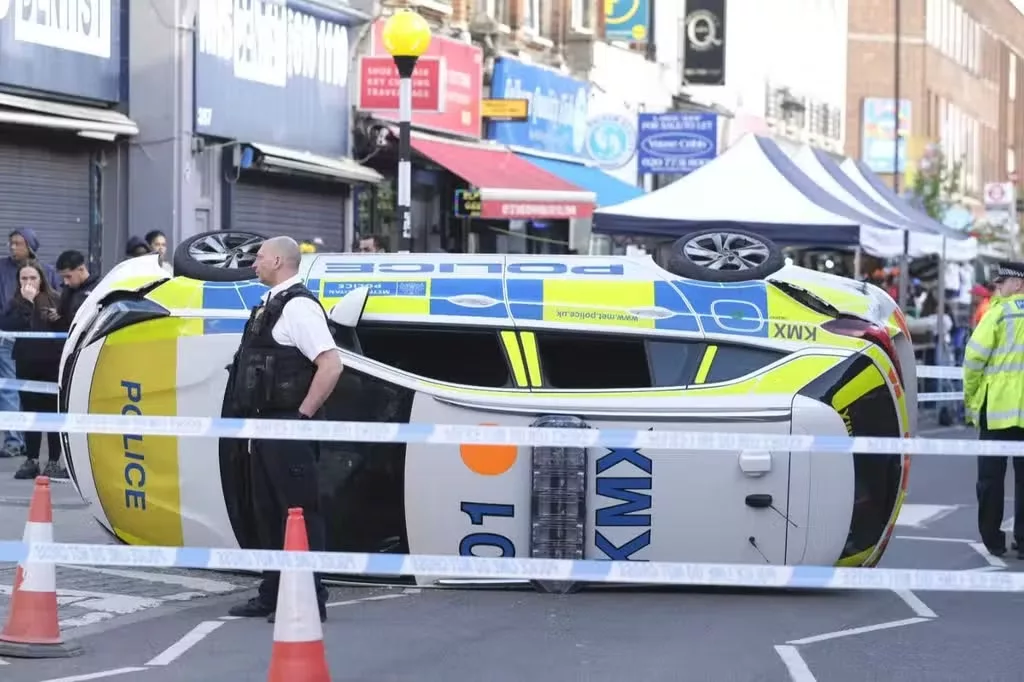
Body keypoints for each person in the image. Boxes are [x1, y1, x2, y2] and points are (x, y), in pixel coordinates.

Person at [226, 236, 342, 622]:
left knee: (299, 514)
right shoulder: (272, 303)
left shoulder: (298, 307)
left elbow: (331, 365)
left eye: (259, 257)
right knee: (268, 513)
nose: (253, 263)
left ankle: (309, 598)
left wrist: (301, 417)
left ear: (277, 261)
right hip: (266, 424)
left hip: (288, 425)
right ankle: (274, 593)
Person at [964, 261, 1024, 559]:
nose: (997, 288)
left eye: (1002, 283)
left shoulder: (999, 314)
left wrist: (971, 401)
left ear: (1019, 284)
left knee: (990, 479)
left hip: (997, 411)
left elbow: (973, 360)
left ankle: (993, 539)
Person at [0, 262, 66, 479]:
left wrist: (57, 318)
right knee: (30, 412)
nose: (28, 283)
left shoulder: (55, 299)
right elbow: (9, 325)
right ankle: (32, 459)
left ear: (41, 279)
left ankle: (54, 461)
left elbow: (65, 325)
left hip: (51, 362)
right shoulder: (15, 302)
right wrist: (27, 304)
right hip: (26, 362)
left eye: (32, 278)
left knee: (53, 412)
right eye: (24, 278)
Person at [55, 250, 100, 328]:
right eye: (63, 277)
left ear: (81, 269)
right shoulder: (67, 290)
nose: (66, 282)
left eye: (68, 276)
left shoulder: (98, 290)